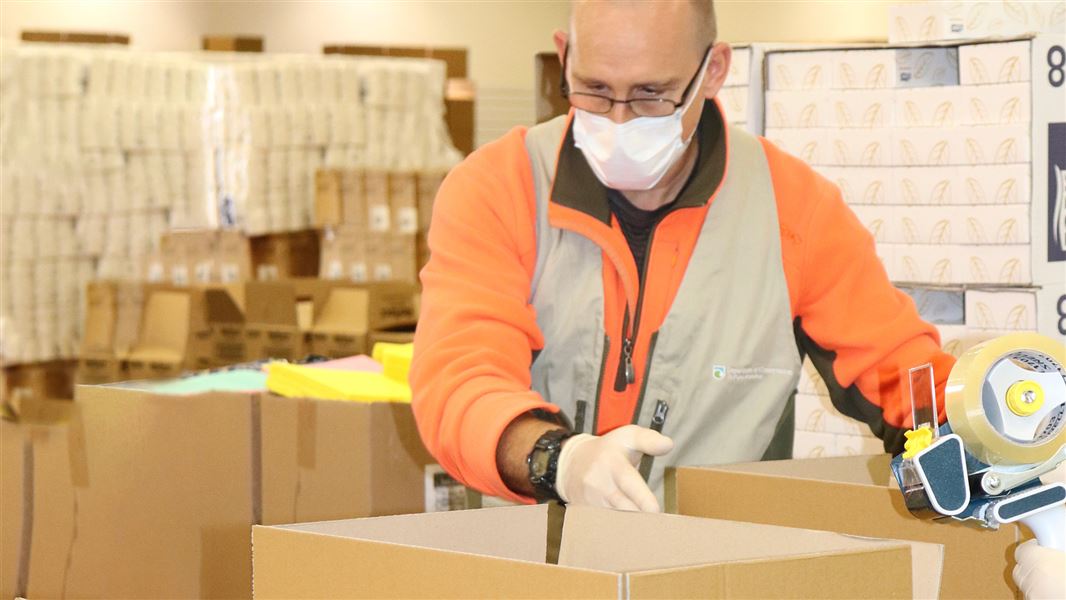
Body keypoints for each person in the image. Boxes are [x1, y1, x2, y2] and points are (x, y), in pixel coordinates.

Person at [411, 0, 955, 512]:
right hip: (532, 567)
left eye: (652, 93)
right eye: (594, 90)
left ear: (713, 70)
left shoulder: (791, 208)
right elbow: (461, 383)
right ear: (564, 56)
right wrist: (561, 460)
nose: (620, 121)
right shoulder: (498, 188)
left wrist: (989, 420)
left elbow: (900, 371)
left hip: (716, 569)